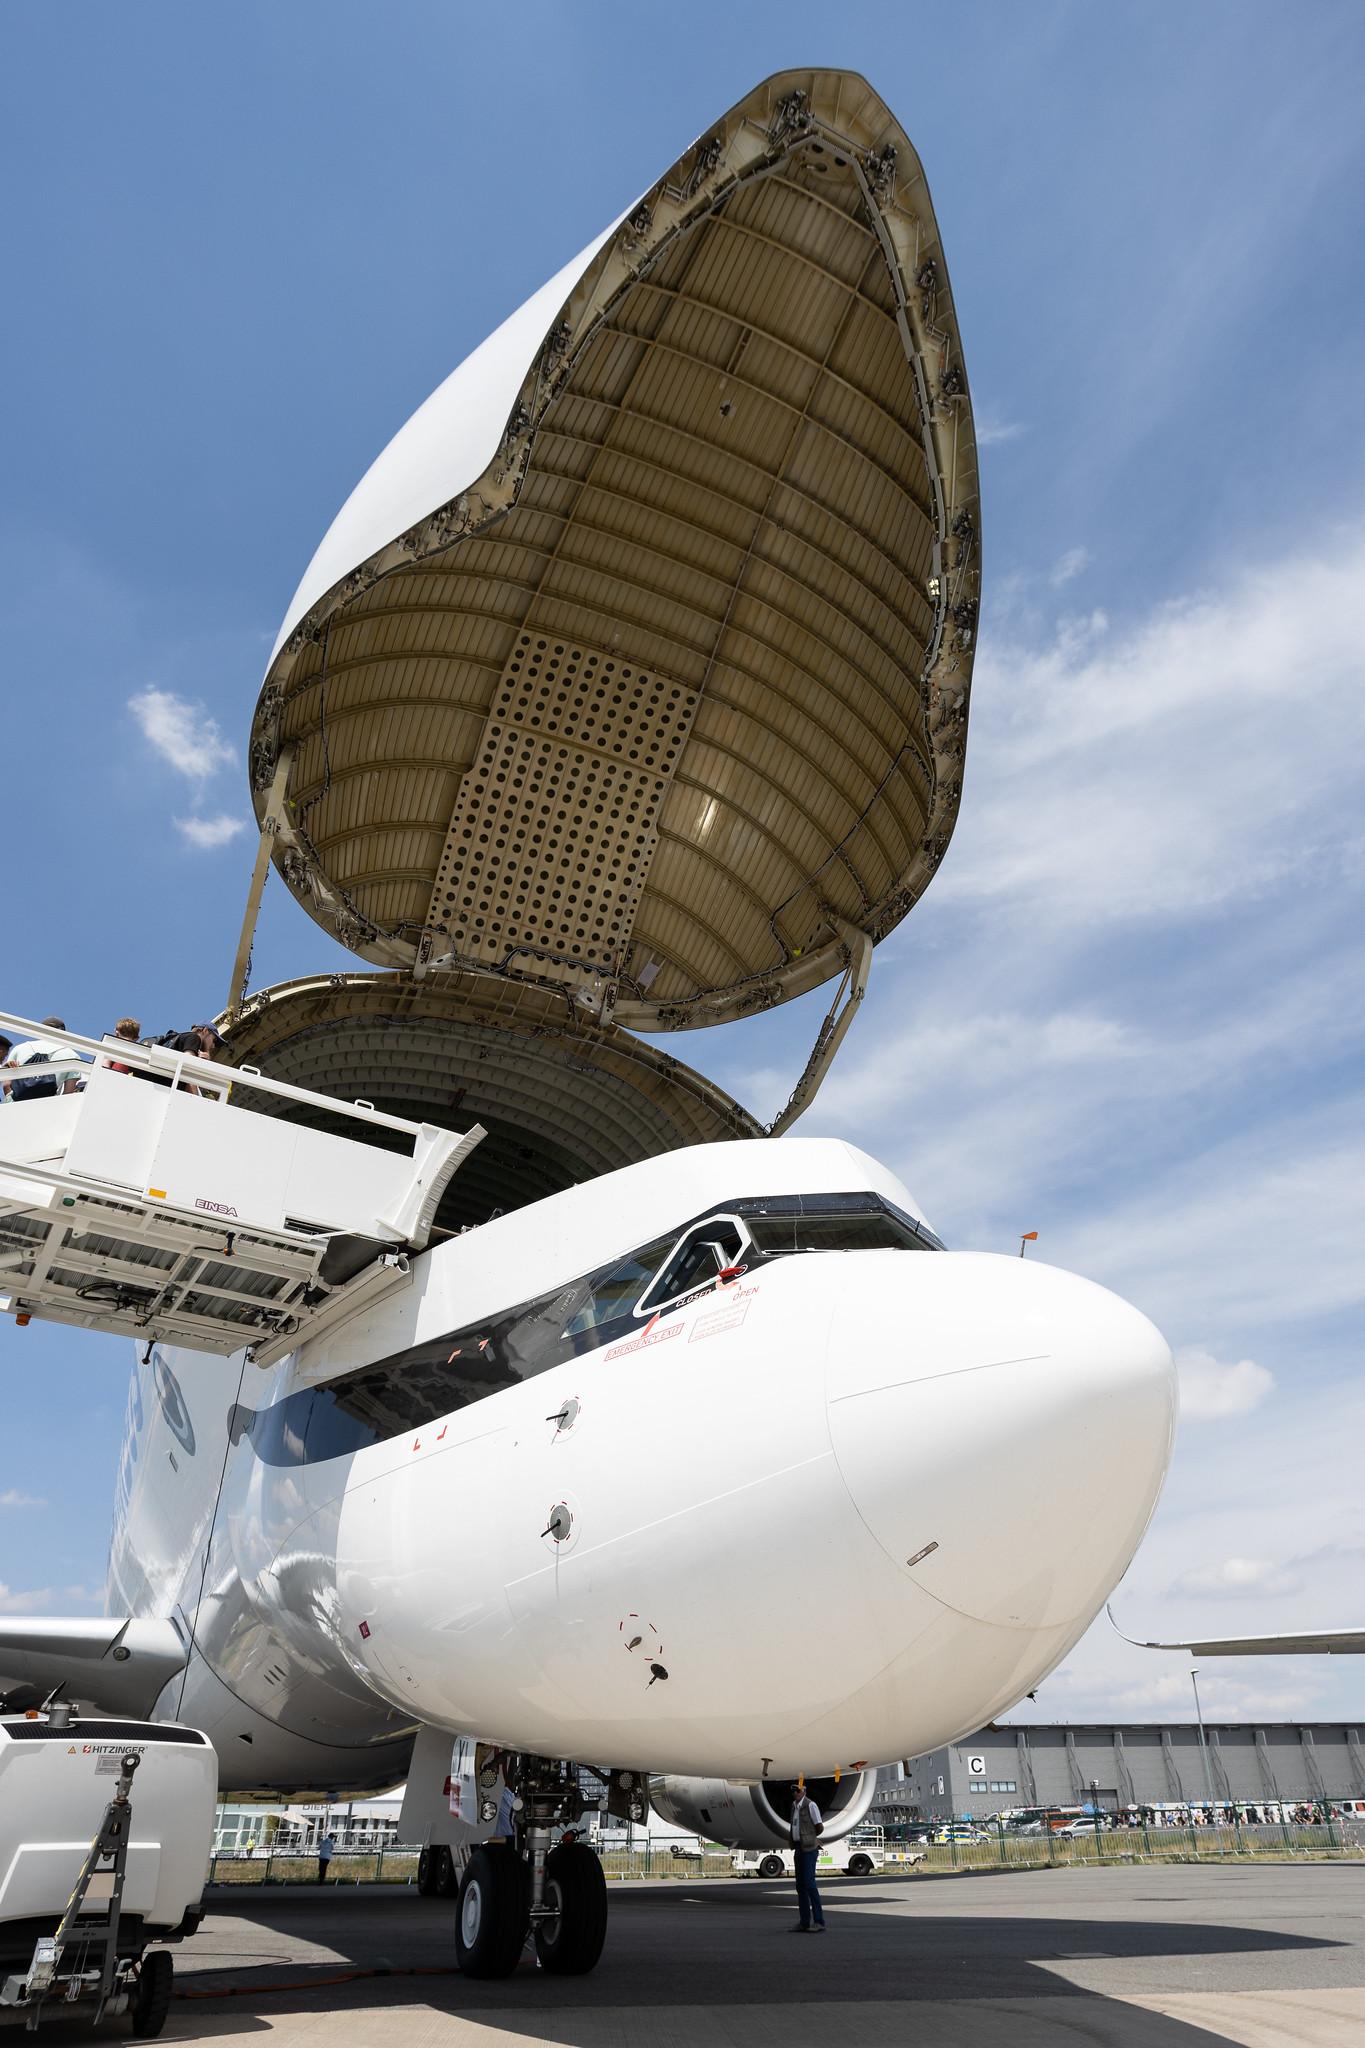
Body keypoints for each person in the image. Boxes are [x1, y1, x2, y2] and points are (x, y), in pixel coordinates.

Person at [5, 1018, 82, 1100]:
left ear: (41, 1030)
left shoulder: (20, 1048)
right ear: (63, 1033)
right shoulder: (72, 1056)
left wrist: (10, 1099)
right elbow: (68, 1093)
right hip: (47, 1106)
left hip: (15, 1103)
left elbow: (6, 1084)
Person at [789, 1782, 826, 1932]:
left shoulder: (811, 1805)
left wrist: (811, 1838)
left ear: (804, 1790)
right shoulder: (794, 1806)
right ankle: (804, 1922)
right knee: (800, 1886)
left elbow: (819, 1826)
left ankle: (819, 1921)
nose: (795, 1793)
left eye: (798, 1790)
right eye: (793, 1791)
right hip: (798, 1847)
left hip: (809, 1848)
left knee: (810, 1884)